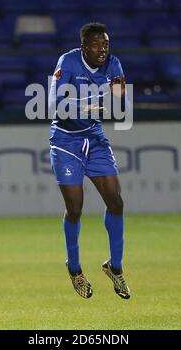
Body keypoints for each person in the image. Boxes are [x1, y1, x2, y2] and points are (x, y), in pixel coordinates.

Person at [48, 23, 130, 300]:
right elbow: (54, 104)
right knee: (75, 208)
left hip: (93, 138)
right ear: (84, 47)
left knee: (116, 202)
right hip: (65, 142)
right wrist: (89, 106)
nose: (102, 50)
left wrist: (119, 99)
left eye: (105, 44)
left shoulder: (114, 65)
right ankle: (74, 268)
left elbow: (122, 109)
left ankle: (115, 267)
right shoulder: (68, 62)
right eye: (96, 45)